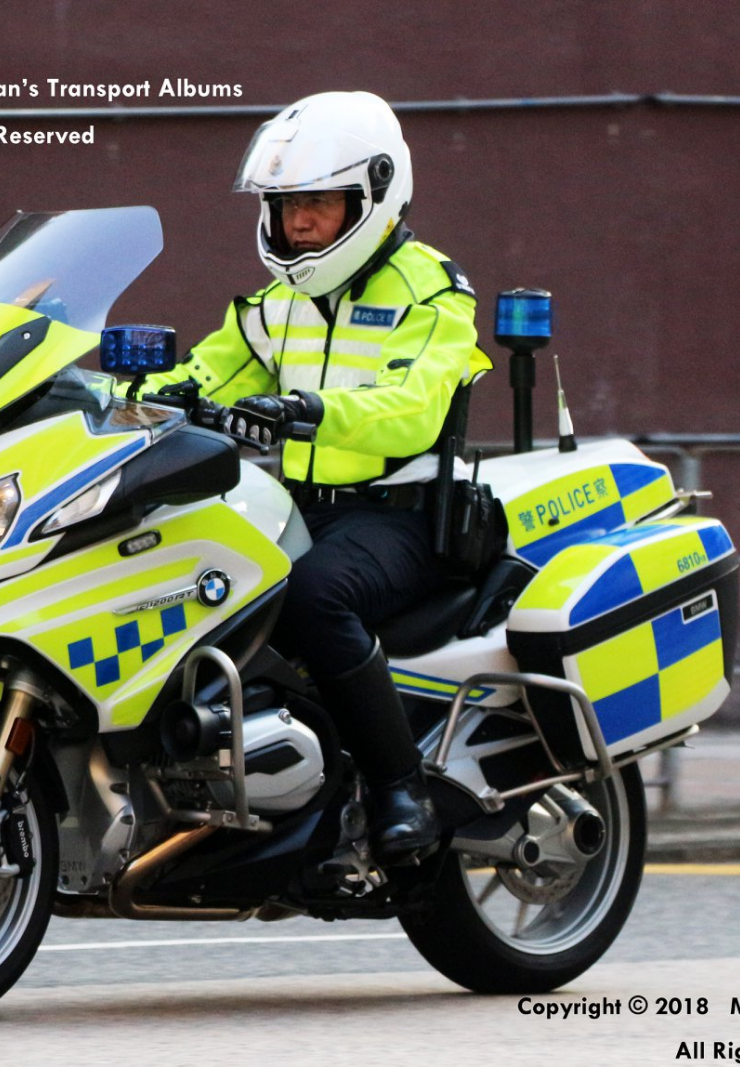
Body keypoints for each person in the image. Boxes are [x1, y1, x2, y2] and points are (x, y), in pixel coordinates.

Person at [146, 90, 490, 863]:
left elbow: (412, 407)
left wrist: (309, 410)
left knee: (311, 595)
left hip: (400, 514)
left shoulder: (433, 291)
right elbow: (203, 374)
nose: (297, 222)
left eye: (317, 203)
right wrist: (101, 395)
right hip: (299, 507)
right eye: (285, 205)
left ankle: (400, 788)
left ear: (373, 195)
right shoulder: (278, 304)